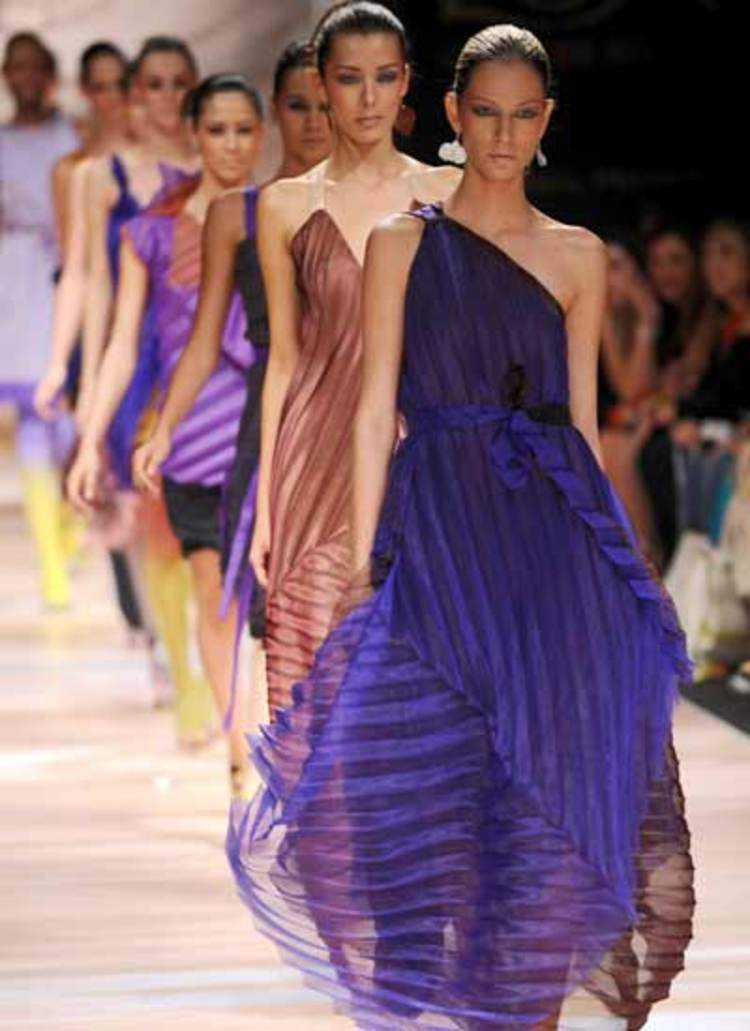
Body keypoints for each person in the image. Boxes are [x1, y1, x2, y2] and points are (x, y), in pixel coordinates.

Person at [228, 24, 694, 1028]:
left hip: (539, 544)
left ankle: (521, 1007)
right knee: (415, 796)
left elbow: (576, 427)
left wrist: (617, 566)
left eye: (524, 114)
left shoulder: (579, 255)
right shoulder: (405, 240)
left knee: (538, 793)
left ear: (547, 122)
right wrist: (359, 561)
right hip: (435, 525)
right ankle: (408, 993)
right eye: (484, 110)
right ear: (449, 113)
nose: (503, 133)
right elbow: (368, 408)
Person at [247, 1, 459, 713]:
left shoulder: (446, 192)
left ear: (406, 85)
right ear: (323, 82)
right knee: (316, 655)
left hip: (418, 446)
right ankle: (327, 825)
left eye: (385, 77)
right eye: (349, 78)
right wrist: (266, 503)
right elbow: (285, 357)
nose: (368, 98)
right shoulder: (282, 204)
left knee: (421, 658)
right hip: (314, 448)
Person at [67, 74, 265, 778]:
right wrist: (92, 435)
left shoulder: (284, 214)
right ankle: (243, 755)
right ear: (195, 133)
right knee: (214, 595)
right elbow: (124, 338)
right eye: (218, 129)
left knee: (271, 605)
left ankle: (268, 741)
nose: (232, 144)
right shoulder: (153, 230)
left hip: (270, 427)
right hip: (192, 434)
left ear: (261, 135)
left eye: (245, 129)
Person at [133, 41, 333, 686]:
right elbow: (194, 337)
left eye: (322, 105)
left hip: (342, 416)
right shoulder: (234, 215)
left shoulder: (380, 213)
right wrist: (160, 428)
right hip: (250, 420)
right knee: (246, 594)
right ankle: (240, 758)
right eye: (297, 105)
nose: (312, 120)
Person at [0, 32, 79, 607]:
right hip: (15, 283)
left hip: (69, 275)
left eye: (34, 67)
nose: (24, 77)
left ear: (49, 74)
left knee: (72, 422)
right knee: (33, 413)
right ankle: (53, 563)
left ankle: (71, 536)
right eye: (15, 67)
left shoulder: (71, 138)